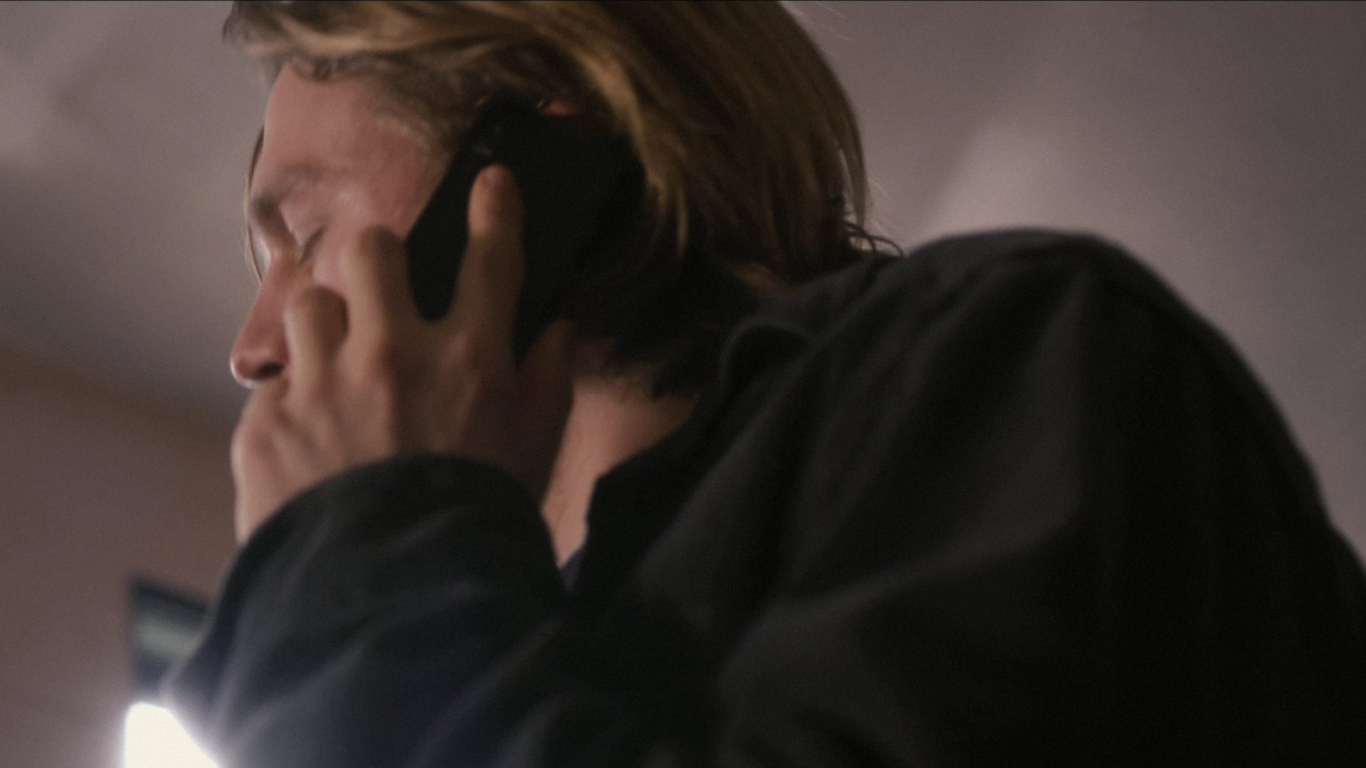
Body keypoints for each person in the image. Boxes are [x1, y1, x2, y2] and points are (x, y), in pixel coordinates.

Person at [167, 2, 1366, 766]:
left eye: (304, 238)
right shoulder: (514, 630)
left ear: (534, 168)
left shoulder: (1018, 351)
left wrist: (364, 552)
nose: (252, 346)